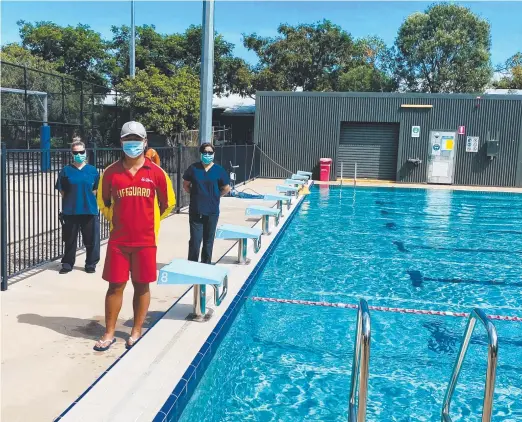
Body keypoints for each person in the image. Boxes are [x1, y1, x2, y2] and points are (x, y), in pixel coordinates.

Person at [94, 121, 176, 352]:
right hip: (119, 241)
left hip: (146, 241)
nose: (133, 144)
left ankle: (136, 330)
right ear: (121, 142)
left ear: (145, 142)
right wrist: (116, 219)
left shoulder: (157, 173)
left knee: (142, 286)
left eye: (137, 140)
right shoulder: (110, 173)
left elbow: (168, 203)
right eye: (128, 140)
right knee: (115, 286)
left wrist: (150, 221)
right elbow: (103, 201)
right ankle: (109, 332)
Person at [55, 138, 100, 274]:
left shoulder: (93, 171)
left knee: (91, 240)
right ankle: (68, 263)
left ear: (85, 152)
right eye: (75, 153)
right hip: (71, 211)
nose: (79, 155)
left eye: (81, 152)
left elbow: (95, 189)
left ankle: (91, 264)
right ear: (71, 154)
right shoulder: (66, 171)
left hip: (89, 210)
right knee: (70, 240)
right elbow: (62, 190)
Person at [183, 143, 231, 264]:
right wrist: (196, 195)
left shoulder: (219, 170)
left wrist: (214, 196)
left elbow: (226, 188)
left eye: (210, 153)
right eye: (205, 152)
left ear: (213, 154)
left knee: (208, 241)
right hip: (196, 210)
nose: (207, 155)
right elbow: (186, 185)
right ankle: (191, 265)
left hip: (212, 211)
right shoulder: (193, 168)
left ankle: (206, 265)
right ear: (201, 154)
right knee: (195, 240)